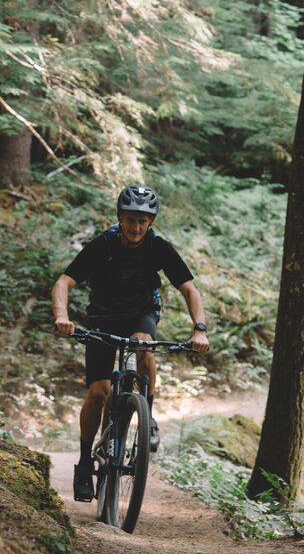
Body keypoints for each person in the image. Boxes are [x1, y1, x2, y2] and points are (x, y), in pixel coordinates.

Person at [52, 184, 210, 502]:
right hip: (103, 317)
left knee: (143, 343)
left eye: (142, 221)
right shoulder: (104, 244)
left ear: (150, 222)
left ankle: (147, 418)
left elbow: (190, 290)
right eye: (130, 220)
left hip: (141, 314)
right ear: (120, 218)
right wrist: (61, 317)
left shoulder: (158, 247)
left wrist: (200, 329)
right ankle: (84, 464)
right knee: (98, 393)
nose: (136, 227)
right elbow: (64, 282)